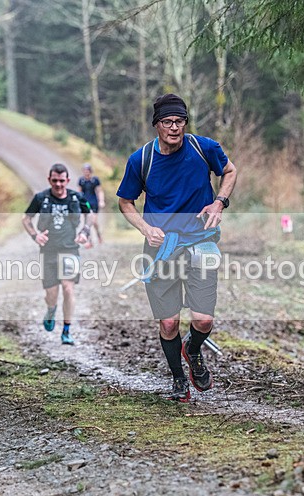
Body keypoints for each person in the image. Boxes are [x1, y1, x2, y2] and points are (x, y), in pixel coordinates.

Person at [117, 93, 237, 403]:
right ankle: (178, 378)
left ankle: (193, 350)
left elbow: (230, 171)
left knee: (203, 320)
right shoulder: (141, 160)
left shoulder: (203, 148)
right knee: (169, 321)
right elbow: (125, 202)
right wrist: (145, 228)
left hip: (200, 244)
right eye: (168, 122)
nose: (175, 128)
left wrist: (219, 202)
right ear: (156, 125)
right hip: (161, 251)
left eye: (180, 121)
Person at [22, 163, 93, 345]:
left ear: (67, 180)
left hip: (70, 249)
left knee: (68, 289)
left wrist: (85, 231)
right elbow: (26, 218)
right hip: (48, 251)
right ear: (49, 180)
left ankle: (66, 330)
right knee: (51, 294)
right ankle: (51, 309)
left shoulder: (77, 198)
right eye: (55, 181)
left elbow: (90, 214)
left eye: (62, 181)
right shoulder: (40, 198)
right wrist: (35, 235)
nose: (58, 185)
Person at [78, 163, 105, 246]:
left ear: (90, 171)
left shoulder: (95, 180)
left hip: (94, 203)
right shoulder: (81, 181)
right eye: (85, 171)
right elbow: (79, 192)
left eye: (88, 171)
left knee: (94, 221)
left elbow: (99, 191)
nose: (86, 172)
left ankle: (98, 235)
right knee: (87, 222)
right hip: (86, 203)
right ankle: (89, 241)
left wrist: (101, 200)